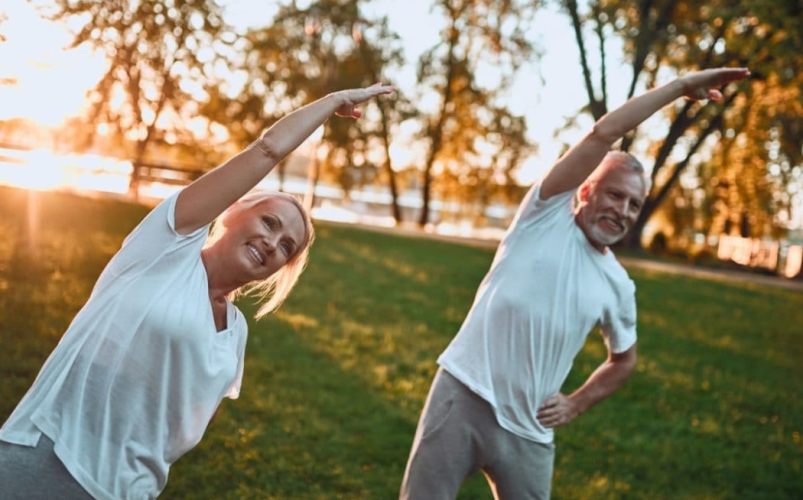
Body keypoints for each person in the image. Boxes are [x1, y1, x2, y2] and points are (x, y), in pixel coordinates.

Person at [0, 83, 393, 500]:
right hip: (52, 457)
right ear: (235, 211)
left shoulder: (234, 333)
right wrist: (332, 103)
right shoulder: (168, 246)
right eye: (269, 223)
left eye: (286, 248)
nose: (272, 244)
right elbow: (267, 149)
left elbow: (185, 421)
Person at [399, 67, 750, 500]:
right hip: (463, 396)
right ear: (584, 192)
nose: (622, 210)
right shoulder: (543, 214)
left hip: (530, 429)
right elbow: (605, 133)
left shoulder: (618, 285)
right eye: (614, 194)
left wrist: (577, 402)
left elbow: (624, 360)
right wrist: (678, 89)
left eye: (634, 204)